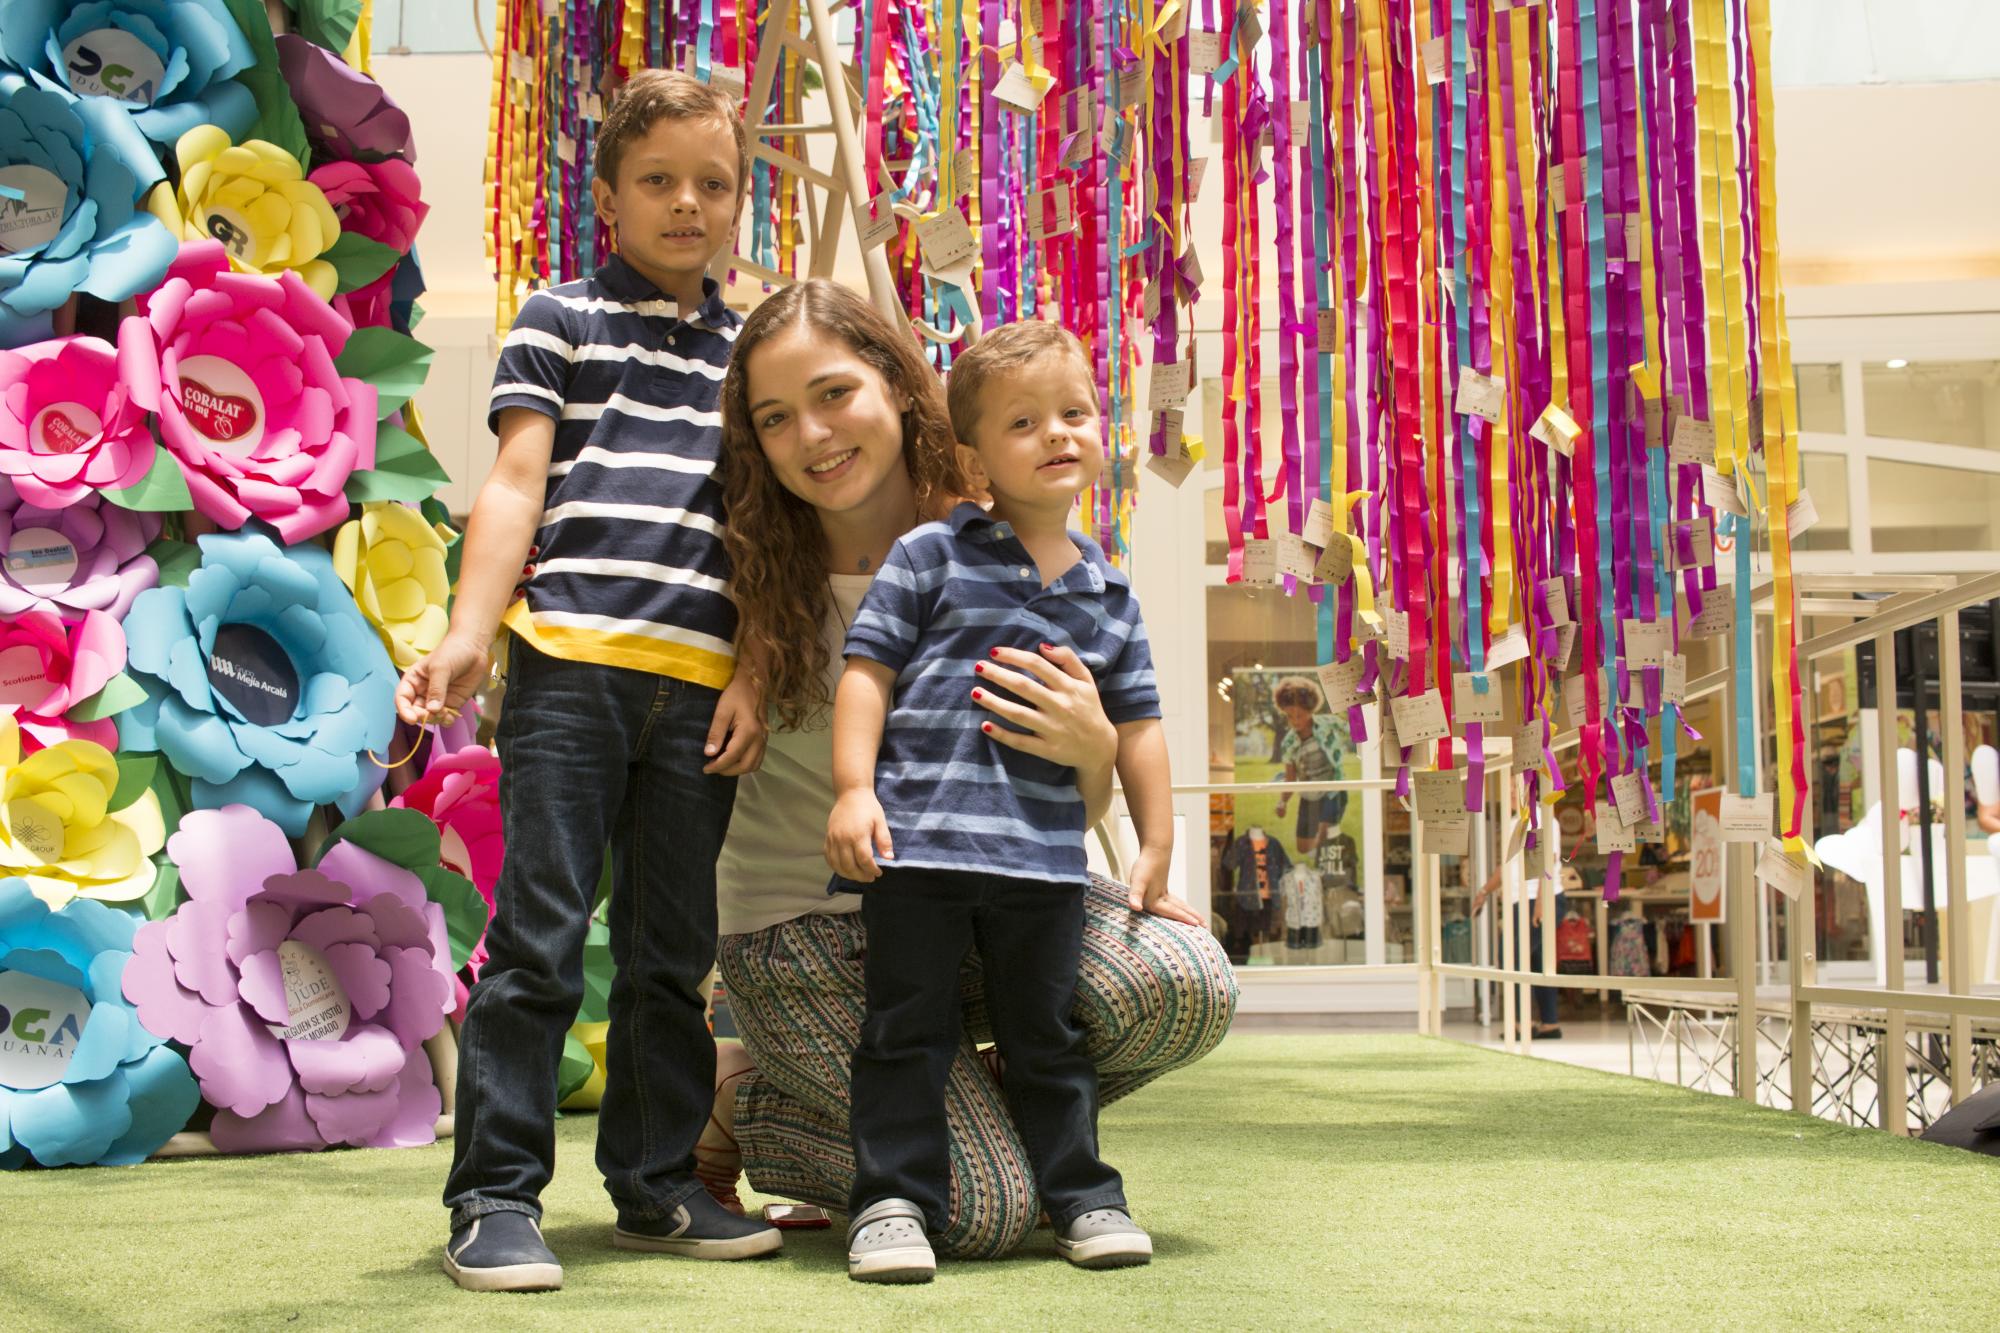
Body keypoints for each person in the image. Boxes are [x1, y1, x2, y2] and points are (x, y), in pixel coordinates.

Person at [700, 278, 1237, 1270]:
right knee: (982, 1209)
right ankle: (756, 1101)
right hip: (811, 924)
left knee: (1182, 981)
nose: (813, 433)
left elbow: (1117, 743)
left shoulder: (1049, 566)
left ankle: (984, 1116)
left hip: (1008, 886)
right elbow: (855, 683)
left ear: (901, 395)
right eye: (776, 418)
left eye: (833, 393)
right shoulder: (755, 570)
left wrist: (1099, 760)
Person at [397, 71, 779, 1293]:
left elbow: (772, 534)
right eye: (659, 180)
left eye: (711, 184)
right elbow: (514, 484)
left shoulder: (751, 351)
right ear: (607, 193)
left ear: (738, 203)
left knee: (674, 952)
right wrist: (469, 634)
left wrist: (759, 672)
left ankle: (656, 1186)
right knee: (539, 941)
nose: (686, 203)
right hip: (569, 669)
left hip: (701, 686)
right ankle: (495, 1197)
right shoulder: (557, 316)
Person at [823, 321, 1171, 1281]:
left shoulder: (1111, 592)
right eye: (1026, 422)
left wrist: (1155, 847)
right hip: (921, 852)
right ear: (974, 458)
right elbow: (867, 674)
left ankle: (1085, 1195)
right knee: (904, 1030)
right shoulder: (930, 555)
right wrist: (854, 789)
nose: (1059, 433)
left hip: (1044, 863)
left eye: (1076, 413)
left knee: (1046, 1035)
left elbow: (1139, 727)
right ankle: (891, 1201)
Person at [1471, 864, 1565, 1039]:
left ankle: (1522, 1024)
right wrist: (1483, 892)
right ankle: (1550, 1023)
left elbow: (1547, 862)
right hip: (1524, 902)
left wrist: (1540, 901)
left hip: (1535, 901)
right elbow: (1506, 867)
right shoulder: (1514, 835)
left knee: (1512, 958)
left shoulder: (1540, 834)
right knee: (1539, 961)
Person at [1270, 674, 1348, 853]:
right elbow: (1290, 778)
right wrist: (1283, 802)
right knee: (1303, 849)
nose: (1295, 721)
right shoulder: (1288, 743)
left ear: (1311, 710)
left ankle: (1326, 849)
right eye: (1290, 716)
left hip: (1332, 790)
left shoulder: (1329, 724)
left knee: (1323, 838)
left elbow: (1356, 731)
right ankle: (1321, 851)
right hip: (1309, 795)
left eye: (1300, 715)